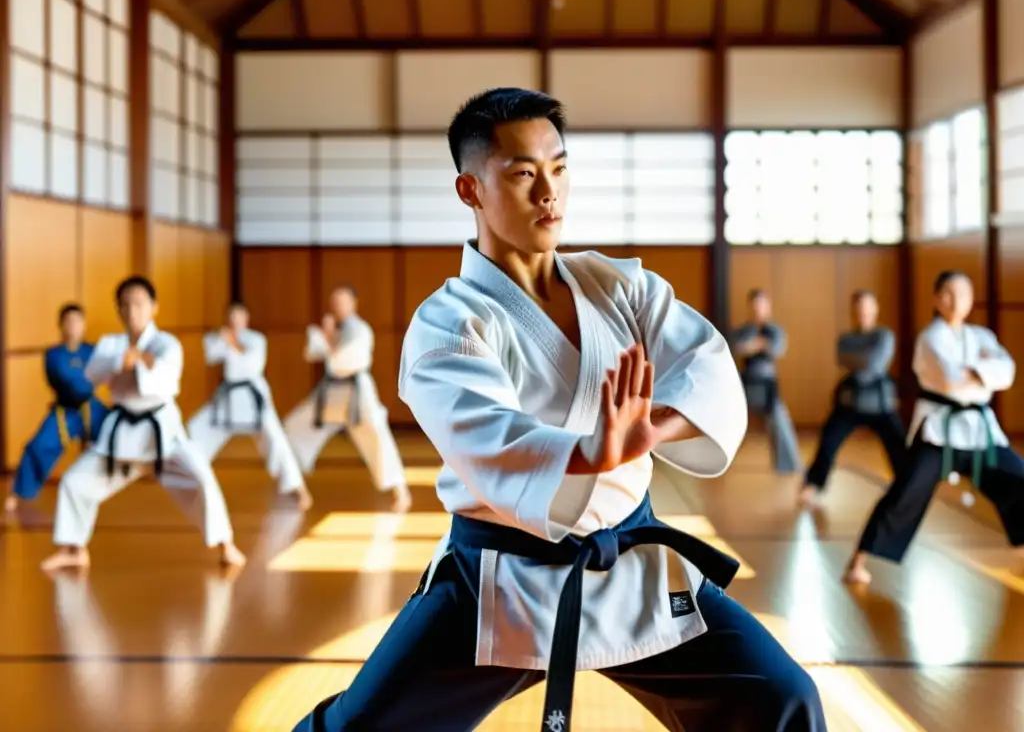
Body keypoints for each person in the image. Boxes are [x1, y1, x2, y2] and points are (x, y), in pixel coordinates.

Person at [293, 88, 824, 732]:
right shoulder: (448, 322)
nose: (549, 192)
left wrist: (650, 429)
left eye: (559, 169)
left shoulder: (620, 286)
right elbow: (489, 438)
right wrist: (589, 453)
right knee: (359, 729)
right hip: (498, 581)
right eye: (523, 174)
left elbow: (703, 363)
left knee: (781, 699)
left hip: (632, 564)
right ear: (471, 191)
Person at [40, 276, 246, 572]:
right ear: (118, 311)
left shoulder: (167, 344)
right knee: (75, 481)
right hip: (122, 434)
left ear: (154, 307)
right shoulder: (111, 344)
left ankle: (226, 544)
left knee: (202, 477)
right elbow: (92, 376)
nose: (131, 311)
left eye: (138, 304)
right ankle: (73, 549)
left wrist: (137, 364)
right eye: (124, 305)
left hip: (163, 433)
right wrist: (122, 361)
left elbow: (165, 379)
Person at [844, 270, 1024, 585]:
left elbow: (1007, 371)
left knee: (1018, 479)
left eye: (965, 294)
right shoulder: (930, 337)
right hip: (939, 431)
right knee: (906, 492)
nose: (958, 301)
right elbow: (950, 381)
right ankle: (858, 560)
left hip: (980, 431)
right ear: (937, 299)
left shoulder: (981, 337)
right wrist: (982, 372)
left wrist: (974, 371)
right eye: (950, 294)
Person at [283, 287, 411, 513]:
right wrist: (326, 335)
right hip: (332, 390)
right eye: (334, 302)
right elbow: (311, 353)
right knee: (294, 427)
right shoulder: (334, 329)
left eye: (342, 301)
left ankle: (400, 490)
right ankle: (297, 487)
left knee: (376, 436)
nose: (338, 306)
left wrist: (328, 337)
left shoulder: (360, 330)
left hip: (357, 390)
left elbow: (344, 358)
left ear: (354, 303)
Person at [187, 302, 312, 510]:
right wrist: (223, 339)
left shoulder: (257, 339)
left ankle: (297, 488)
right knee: (197, 429)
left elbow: (251, 365)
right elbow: (210, 354)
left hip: (253, 397)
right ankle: (184, 473)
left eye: (239, 317)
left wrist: (232, 342)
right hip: (229, 398)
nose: (235, 322)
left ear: (247, 319)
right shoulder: (220, 337)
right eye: (231, 318)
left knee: (275, 438)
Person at [800, 290, 906, 508]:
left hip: (880, 405)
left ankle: (907, 488)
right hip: (851, 403)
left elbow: (875, 363)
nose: (864, 313)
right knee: (828, 441)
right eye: (859, 308)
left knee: (898, 446)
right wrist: (864, 360)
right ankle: (813, 484)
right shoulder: (846, 339)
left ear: (876, 308)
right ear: (853, 311)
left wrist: (860, 361)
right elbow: (843, 358)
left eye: (868, 307)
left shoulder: (884, 336)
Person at [5, 304, 108, 512]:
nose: (73, 326)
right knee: (38, 446)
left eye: (77, 321)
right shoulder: (53, 354)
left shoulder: (93, 350)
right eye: (68, 322)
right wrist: (86, 381)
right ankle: (19, 492)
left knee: (117, 430)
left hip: (91, 408)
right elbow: (66, 381)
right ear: (60, 326)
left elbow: (101, 376)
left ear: (84, 325)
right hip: (65, 412)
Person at [730, 290, 803, 475]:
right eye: (754, 306)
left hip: (767, 381)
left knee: (779, 419)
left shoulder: (775, 330)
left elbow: (777, 349)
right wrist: (757, 344)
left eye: (761, 305)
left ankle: (788, 465)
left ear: (768, 307)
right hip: (745, 380)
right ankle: (719, 459)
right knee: (730, 418)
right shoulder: (743, 330)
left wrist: (756, 345)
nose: (758, 310)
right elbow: (738, 348)